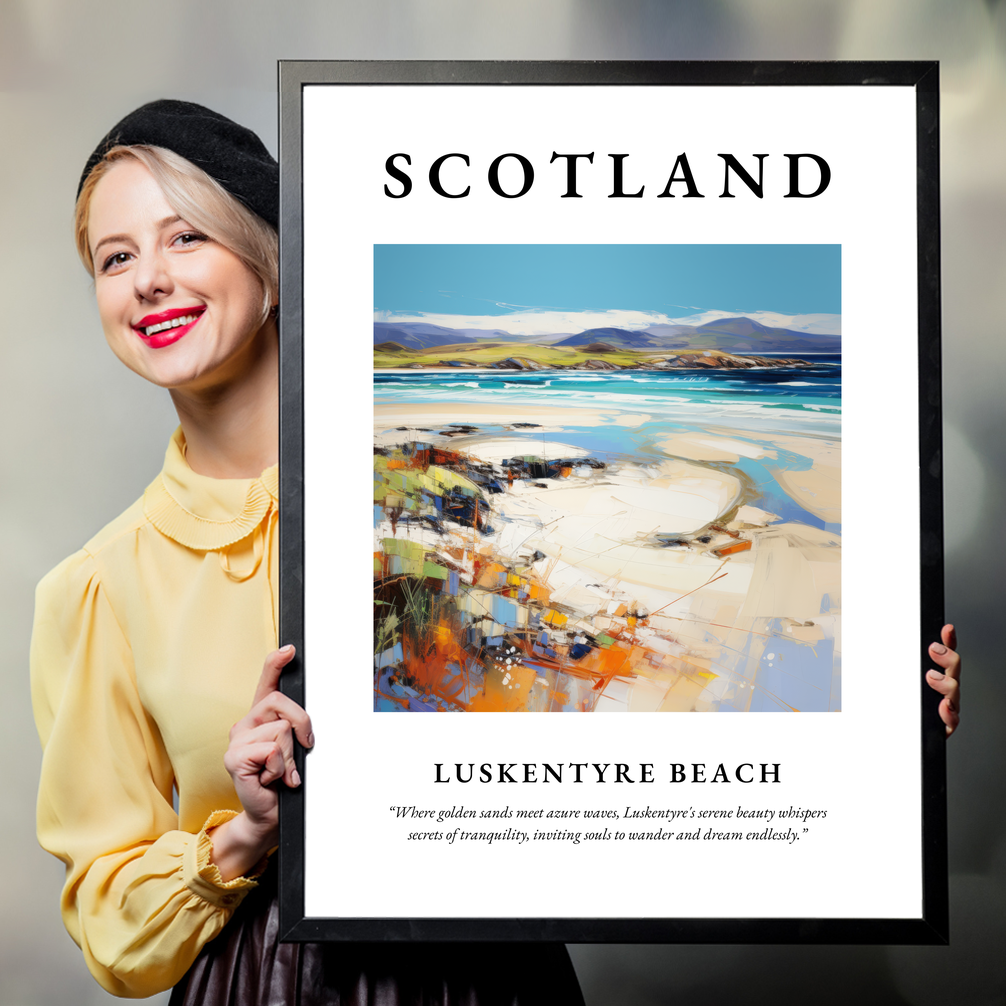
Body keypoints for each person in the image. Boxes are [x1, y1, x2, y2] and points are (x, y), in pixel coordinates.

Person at [30, 100, 585, 1004]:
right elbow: (110, 923)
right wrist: (245, 832)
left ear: (273, 264)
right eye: (116, 257)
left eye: (185, 239)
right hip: (263, 981)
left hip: (492, 973)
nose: (148, 281)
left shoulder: (450, 497)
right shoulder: (97, 587)